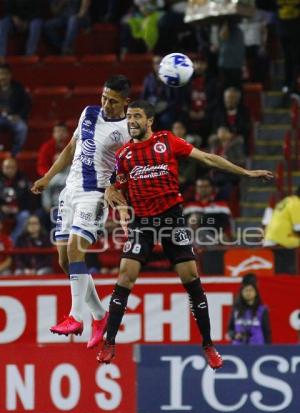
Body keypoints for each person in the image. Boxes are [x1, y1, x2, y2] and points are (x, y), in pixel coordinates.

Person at [97, 99, 273, 368]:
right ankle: (109, 341)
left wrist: (246, 173)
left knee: (192, 280)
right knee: (124, 277)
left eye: (136, 116)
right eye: (129, 117)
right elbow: (114, 186)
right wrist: (112, 194)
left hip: (172, 220)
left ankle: (208, 344)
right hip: (143, 224)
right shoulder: (124, 156)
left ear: (149, 120)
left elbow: (208, 158)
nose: (131, 121)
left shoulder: (167, 141)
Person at [31, 75, 131, 349]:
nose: (106, 104)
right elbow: (71, 148)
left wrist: (115, 192)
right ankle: (100, 315)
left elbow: (126, 169)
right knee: (65, 261)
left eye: (113, 100)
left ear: (126, 102)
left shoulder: (126, 129)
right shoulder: (88, 113)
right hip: (70, 192)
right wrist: (48, 178)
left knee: (76, 251)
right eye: (104, 97)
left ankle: (75, 316)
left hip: (95, 194)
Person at [227, 279, 271, 344]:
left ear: (256, 292)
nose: (248, 293)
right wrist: (234, 335)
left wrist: (268, 349)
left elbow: (266, 332)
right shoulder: (236, 310)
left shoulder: (262, 310)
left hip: (258, 347)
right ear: (241, 293)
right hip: (238, 348)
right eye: (245, 290)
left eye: (250, 290)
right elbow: (230, 330)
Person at [0, 64, 31, 155]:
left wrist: (19, 116)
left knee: (22, 128)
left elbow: (26, 105)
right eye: (1, 74)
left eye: (5, 74)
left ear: (10, 75)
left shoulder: (18, 88)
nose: (3, 77)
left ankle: (15, 152)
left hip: (13, 117)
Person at [0, 157, 31, 243]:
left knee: (25, 216)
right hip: (2, 209)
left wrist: (19, 208)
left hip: (18, 209)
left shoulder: (23, 179)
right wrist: (1, 207)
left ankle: (11, 242)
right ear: (2, 168)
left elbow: (29, 199)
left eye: (12, 167)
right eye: (7, 167)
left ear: (16, 168)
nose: (10, 170)